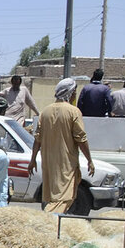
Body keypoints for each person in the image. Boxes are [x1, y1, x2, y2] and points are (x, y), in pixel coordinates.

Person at [32, 78, 94, 213]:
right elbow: (81, 139)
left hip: (49, 163)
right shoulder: (73, 111)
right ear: (70, 93)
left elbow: (37, 139)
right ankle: (48, 220)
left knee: (53, 197)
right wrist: (89, 160)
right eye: (74, 92)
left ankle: (52, 222)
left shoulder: (45, 112)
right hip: (66, 163)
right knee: (63, 198)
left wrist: (33, 160)